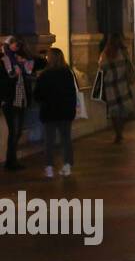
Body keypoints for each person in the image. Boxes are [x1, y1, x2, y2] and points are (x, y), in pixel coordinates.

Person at [34, 48, 78, 178]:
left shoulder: (44, 75)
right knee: (66, 139)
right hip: (65, 112)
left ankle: (49, 167)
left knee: (49, 140)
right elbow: (72, 93)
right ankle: (67, 165)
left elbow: (37, 95)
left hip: (49, 111)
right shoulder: (67, 73)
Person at [96, 34, 135, 144]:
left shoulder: (105, 54)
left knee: (114, 110)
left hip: (110, 85)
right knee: (124, 109)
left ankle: (118, 132)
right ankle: (120, 131)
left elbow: (100, 68)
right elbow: (129, 66)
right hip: (122, 83)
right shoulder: (123, 53)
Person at [2, 37, 35, 170]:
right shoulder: (5, 59)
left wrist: (24, 58)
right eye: (15, 45)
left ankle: (12, 160)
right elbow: (4, 80)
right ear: (9, 45)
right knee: (14, 131)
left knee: (18, 131)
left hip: (20, 98)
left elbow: (35, 64)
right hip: (10, 100)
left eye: (18, 45)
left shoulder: (18, 58)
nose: (17, 47)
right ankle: (10, 162)